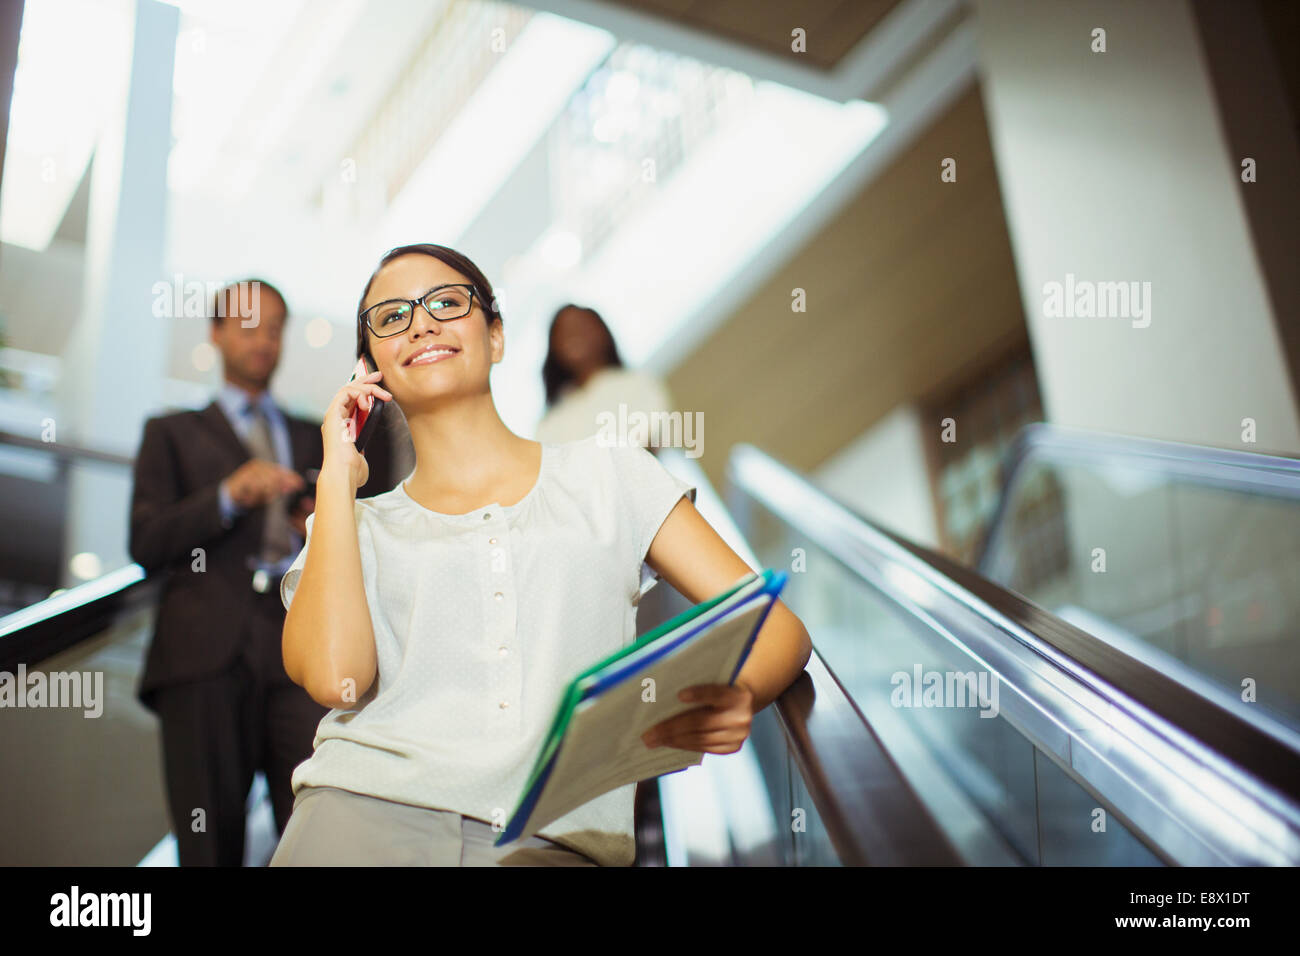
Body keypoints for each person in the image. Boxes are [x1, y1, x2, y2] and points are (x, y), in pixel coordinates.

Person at [269, 243, 812, 867]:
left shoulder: (610, 475)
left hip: (551, 845)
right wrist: (336, 478)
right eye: (392, 317)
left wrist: (736, 693)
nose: (420, 323)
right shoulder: (352, 524)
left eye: (447, 303)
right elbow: (334, 675)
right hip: (352, 826)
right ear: (373, 371)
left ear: (495, 336)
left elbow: (778, 630)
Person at [128, 280, 330, 866]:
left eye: (274, 329)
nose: (263, 340)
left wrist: (319, 525)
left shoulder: (312, 435)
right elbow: (146, 541)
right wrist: (225, 496)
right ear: (215, 333)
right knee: (209, 841)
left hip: (298, 653)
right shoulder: (170, 432)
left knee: (314, 821)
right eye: (248, 326)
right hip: (202, 656)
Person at [535, 304, 676, 449]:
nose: (575, 334)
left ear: (602, 332)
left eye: (583, 327)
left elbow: (650, 442)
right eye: (565, 331)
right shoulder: (550, 423)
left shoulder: (636, 384)